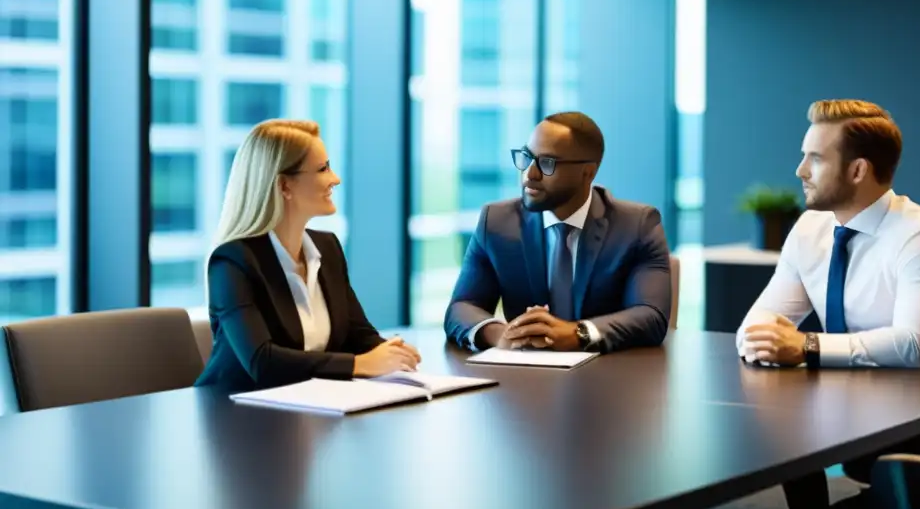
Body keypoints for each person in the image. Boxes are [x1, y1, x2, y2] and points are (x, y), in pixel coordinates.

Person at [737, 99, 920, 509]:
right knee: (781, 419)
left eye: (814, 158)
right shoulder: (810, 228)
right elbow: (760, 320)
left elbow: (909, 345)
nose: (800, 171)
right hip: (852, 414)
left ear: (858, 170)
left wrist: (805, 345)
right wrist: (762, 339)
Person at [195, 119, 420, 391]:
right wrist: (359, 364)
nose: (335, 179)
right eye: (323, 168)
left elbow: (357, 333)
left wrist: (390, 351)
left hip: (308, 408)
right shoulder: (232, 263)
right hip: (236, 416)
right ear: (284, 187)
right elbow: (263, 362)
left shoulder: (327, 248)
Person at [444, 111, 672, 354]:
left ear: (588, 173)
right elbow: (462, 306)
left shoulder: (636, 225)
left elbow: (651, 315)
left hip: (609, 379)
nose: (530, 174)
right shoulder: (497, 222)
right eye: (526, 157)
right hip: (524, 378)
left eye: (547, 163)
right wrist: (502, 334)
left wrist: (579, 334)